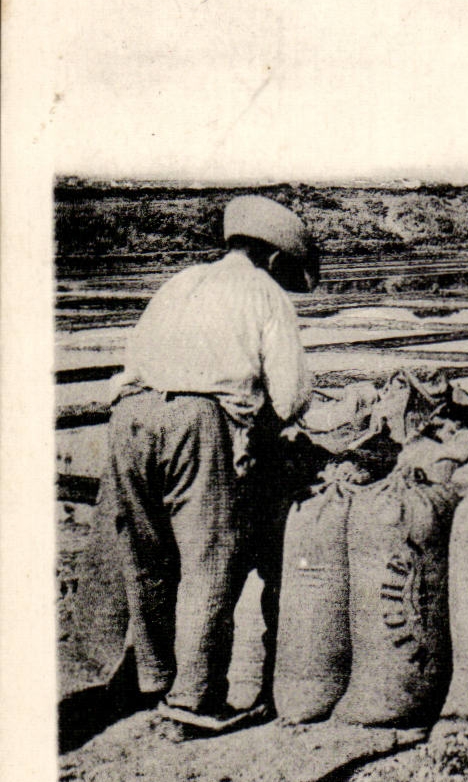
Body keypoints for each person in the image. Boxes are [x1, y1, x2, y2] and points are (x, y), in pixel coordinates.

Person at [102, 195, 317, 735]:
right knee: (209, 562)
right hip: (197, 423)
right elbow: (290, 396)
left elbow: (136, 359)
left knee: (147, 557)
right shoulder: (265, 294)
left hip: (128, 416)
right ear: (273, 259)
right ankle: (194, 701)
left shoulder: (181, 282)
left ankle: (154, 681)